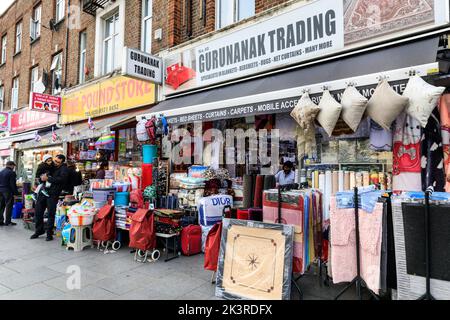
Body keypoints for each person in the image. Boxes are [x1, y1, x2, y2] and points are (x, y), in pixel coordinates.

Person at [31, 154, 69, 241]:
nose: (54, 162)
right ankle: (39, 231)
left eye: (57, 161)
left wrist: (48, 179)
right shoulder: (51, 166)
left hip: (53, 194)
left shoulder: (64, 169)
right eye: (54, 160)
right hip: (43, 192)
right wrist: (41, 179)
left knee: (51, 214)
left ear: (62, 162)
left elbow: (62, 180)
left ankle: (49, 234)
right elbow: (41, 177)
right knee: (38, 212)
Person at [0, 161, 19, 226]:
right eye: (13, 166)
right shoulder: (12, 173)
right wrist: (15, 193)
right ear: (11, 165)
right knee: (9, 206)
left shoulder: (1, 171)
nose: (14, 167)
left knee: (1, 206)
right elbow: (12, 184)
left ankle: (0, 221)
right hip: (8, 191)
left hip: (0, 190)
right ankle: (7, 221)